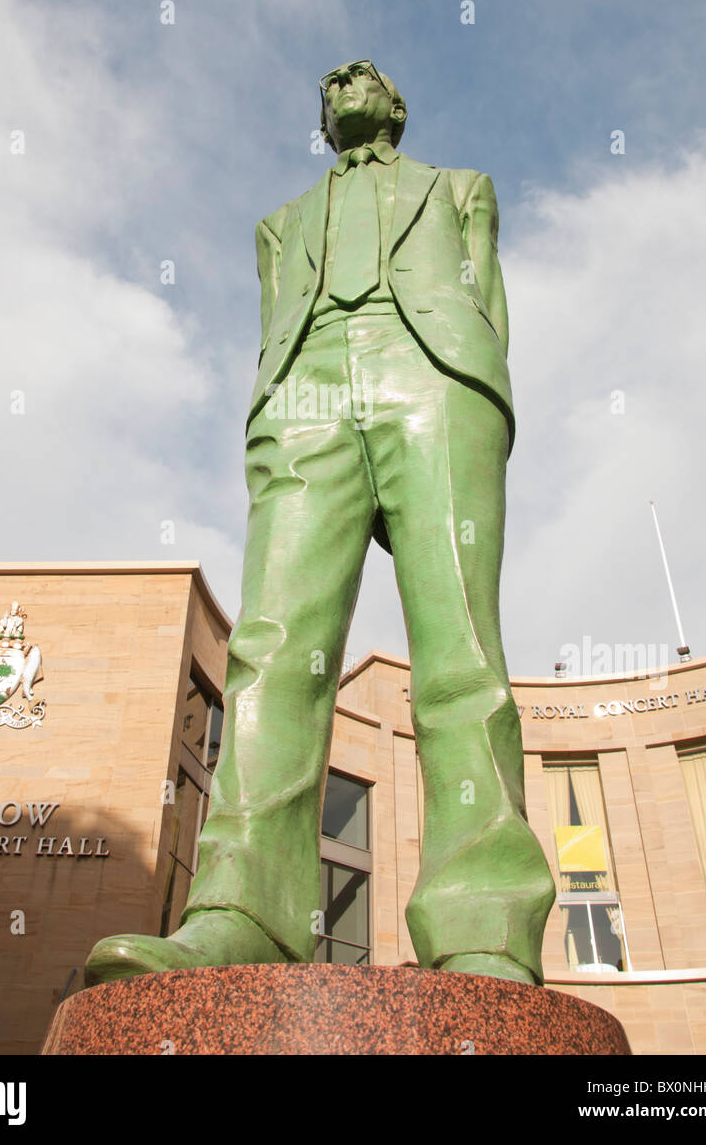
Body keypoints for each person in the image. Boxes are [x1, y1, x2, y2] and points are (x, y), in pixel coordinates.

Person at [85, 60, 555, 987]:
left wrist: (472, 407)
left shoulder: (459, 190)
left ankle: (486, 925)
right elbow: (275, 319)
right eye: (329, 82)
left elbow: (486, 306)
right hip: (306, 394)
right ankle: (240, 910)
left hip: (434, 382)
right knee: (271, 645)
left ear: (398, 106)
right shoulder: (279, 225)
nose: (341, 85)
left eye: (360, 76)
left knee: (461, 650)